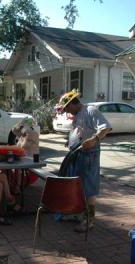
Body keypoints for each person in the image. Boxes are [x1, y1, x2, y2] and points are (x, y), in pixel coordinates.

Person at [58, 89, 112, 233]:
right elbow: (80, 130)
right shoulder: (77, 114)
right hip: (77, 153)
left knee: (89, 188)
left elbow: (106, 128)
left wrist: (95, 139)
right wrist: (70, 141)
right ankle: (76, 213)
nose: (67, 112)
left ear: (73, 104)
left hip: (89, 155)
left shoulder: (91, 111)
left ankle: (89, 220)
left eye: (67, 108)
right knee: (75, 184)